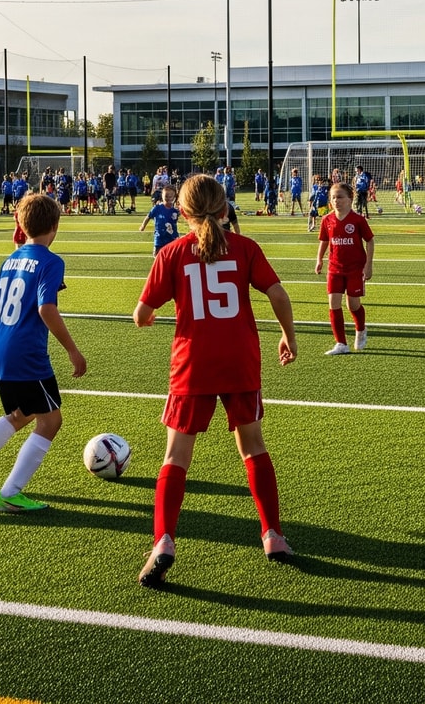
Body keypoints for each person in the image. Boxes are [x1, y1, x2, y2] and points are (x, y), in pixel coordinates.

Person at [132, 175, 297, 587]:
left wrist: (153, 316)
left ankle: (164, 541)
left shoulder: (172, 253)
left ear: (182, 212)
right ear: (226, 210)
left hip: (193, 363)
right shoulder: (244, 248)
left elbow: (141, 313)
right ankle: (272, 534)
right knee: (254, 447)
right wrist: (288, 336)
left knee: (175, 457)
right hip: (239, 360)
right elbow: (277, 293)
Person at [0, 193, 87, 513]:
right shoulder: (52, 260)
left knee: (21, 415)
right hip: (26, 353)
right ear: (55, 226)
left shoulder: (11, 259)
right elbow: (46, 308)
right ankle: (10, 492)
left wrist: (4, 335)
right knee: (50, 421)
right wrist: (73, 351)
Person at [314, 182, 374, 355]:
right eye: (333, 197)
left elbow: (369, 241)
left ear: (350, 199)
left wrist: (368, 265)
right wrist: (319, 259)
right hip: (334, 268)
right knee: (333, 303)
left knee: (353, 305)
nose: (336, 201)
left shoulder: (357, 220)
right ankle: (341, 343)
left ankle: (361, 329)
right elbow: (324, 240)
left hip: (355, 269)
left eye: (340, 197)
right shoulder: (327, 220)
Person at [140, 185, 179, 252]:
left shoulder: (175, 210)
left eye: (170, 196)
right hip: (159, 236)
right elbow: (148, 216)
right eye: (166, 196)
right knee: (157, 253)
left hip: (172, 237)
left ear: (174, 197)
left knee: (171, 254)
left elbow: (187, 215)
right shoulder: (157, 208)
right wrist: (143, 226)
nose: (168, 198)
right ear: (162, 196)